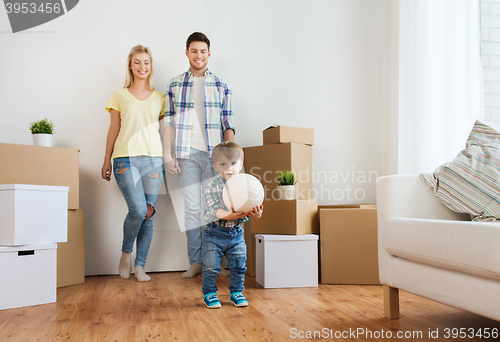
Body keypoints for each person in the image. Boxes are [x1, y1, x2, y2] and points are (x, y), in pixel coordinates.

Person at [164, 32, 235, 278]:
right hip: (186, 154)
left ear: (208, 54)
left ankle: (216, 262)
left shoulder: (221, 84)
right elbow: (169, 122)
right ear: (187, 53)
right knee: (193, 210)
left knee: (217, 208)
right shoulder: (174, 84)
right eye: (194, 50)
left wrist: (230, 159)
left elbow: (228, 122)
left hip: (215, 156)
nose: (198, 55)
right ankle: (196, 262)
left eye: (203, 51)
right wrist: (168, 154)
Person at [101, 45, 165, 282]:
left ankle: (140, 267)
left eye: (146, 62)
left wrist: (167, 157)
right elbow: (114, 129)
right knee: (137, 210)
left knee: (148, 213)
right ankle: (126, 253)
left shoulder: (161, 97)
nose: (142, 67)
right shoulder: (119, 94)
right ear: (130, 65)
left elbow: (166, 130)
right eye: (137, 62)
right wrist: (106, 159)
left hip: (154, 160)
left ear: (151, 66)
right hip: (125, 158)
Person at [202, 142, 263, 308]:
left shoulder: (245, 185)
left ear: (241, 164)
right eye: (223, 164)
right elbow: (216, 211)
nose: (229, 168)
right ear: (215, 167)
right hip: (214, 234)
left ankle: (237, 292)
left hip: (236, 234)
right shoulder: (212, 186)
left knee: (239, 265)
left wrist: (256, 214)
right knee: (210, 267)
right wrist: (230, 215)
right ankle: (209, 293)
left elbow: (251, 208)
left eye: (233, 164)